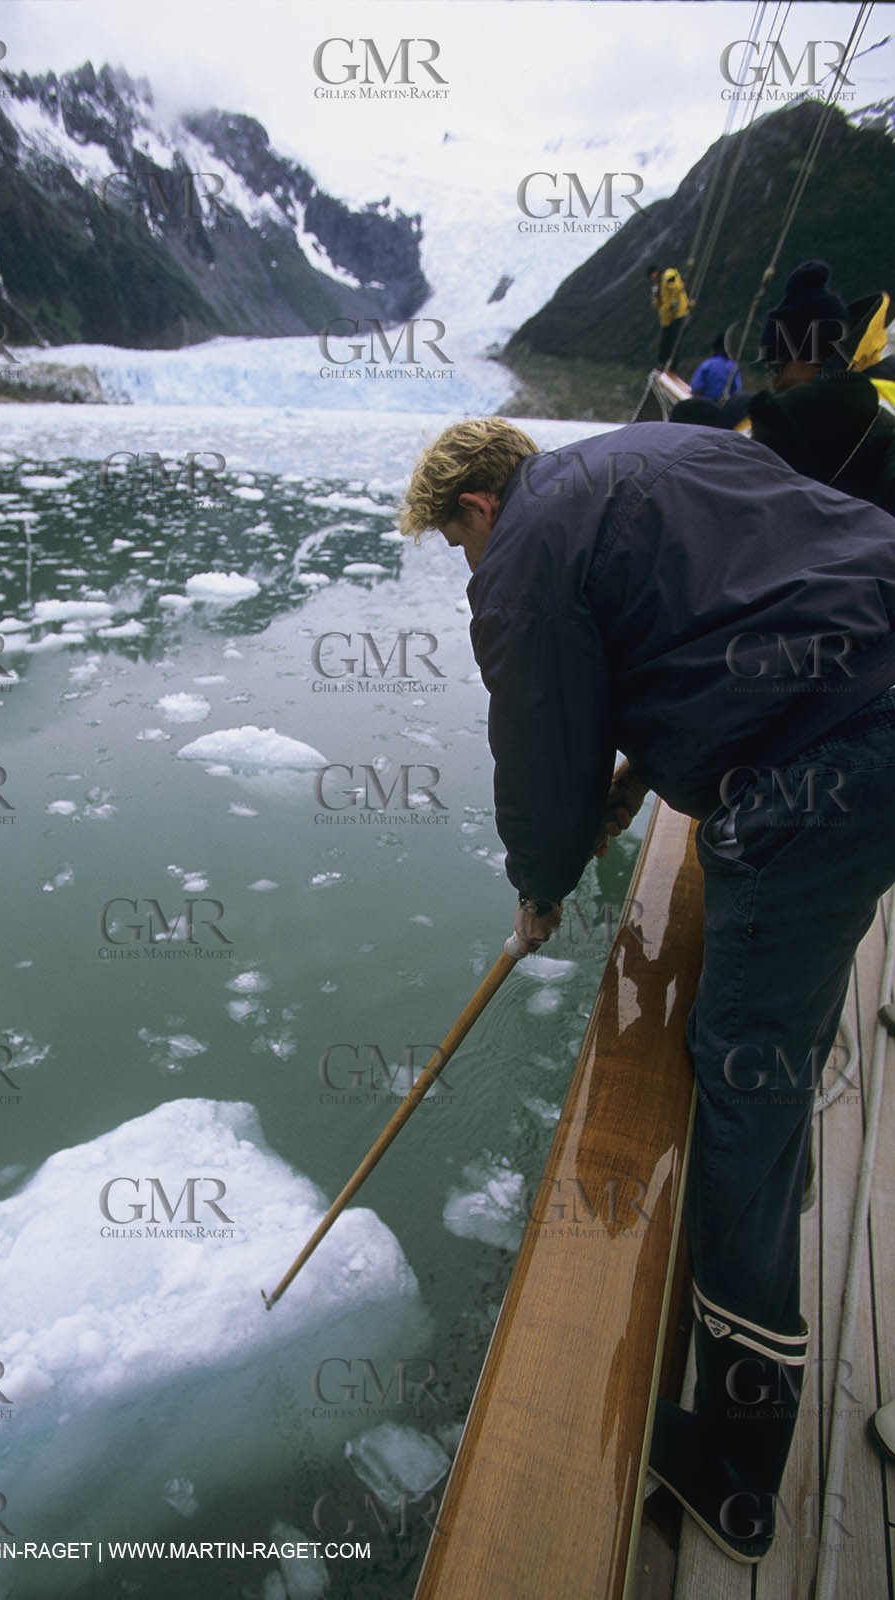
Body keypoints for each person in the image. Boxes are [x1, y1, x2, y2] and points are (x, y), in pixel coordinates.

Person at [399, 415, 895, 1564]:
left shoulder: (519, 551)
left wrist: (539, 882)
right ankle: (781, 1204)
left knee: (739, 1074)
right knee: (784, 1006)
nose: (469, 566)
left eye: (456, 545)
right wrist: (634, 778)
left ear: (476, 508)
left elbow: (537, 745)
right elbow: (732, 599)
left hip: (824, 762)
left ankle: (733, 1461)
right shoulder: (651, 452)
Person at [748, 262, 895, 513]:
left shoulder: (845, 415)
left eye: (777, 367)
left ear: (808, 354)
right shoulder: (877, 387)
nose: (776, 382)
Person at [647, 263, 691, 372]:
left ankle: (672, 366)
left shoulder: (668, 275)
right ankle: (662, 362)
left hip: (678, 313)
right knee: (665, 341)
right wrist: (655, 296)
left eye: (652, 275)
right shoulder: (658, 286)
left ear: (656, 272)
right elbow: (656, 305)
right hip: (667, 318)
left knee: (674, 340)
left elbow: (677, 287)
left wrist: (674, 303)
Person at [691, 333, 742, 405]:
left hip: (704, 406)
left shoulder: (707, 365)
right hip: (722, 409)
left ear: (714, 349)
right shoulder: (733, 368)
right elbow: (737, 392)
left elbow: (696, 388)